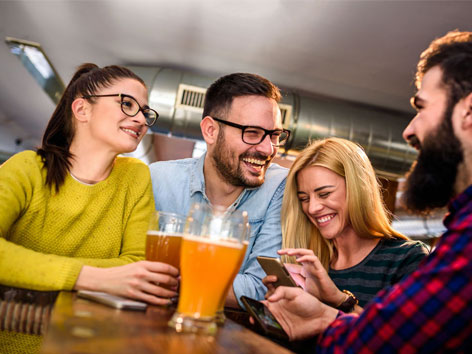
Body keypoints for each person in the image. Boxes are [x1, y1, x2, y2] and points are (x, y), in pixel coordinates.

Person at [263, 31, 472, 351]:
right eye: (304, 198)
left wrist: (326, 312)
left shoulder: (430, 252)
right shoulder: (460, 230)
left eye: (422, 107)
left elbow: (383, 343)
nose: (409, 129)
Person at [0, 63, 179, 304]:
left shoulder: (135, 176)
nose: (141, 120)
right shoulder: (27, 167)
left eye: (145, 113)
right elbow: (125, 274)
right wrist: (94, 277)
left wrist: (27, 263)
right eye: (127, 104)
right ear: (82, 109)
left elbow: (137, 265)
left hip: (90, 335)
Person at [149, 73, 290, 307]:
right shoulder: (158, 178)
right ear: (210, 131)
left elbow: (260, 287)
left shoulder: (281, 186)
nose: (268, 149)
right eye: (252, 133)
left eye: (275, 135)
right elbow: (131, 262)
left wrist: (170, 279)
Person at [263, 137, 428, 312]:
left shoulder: (408, 258)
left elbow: (399, 337)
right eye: (304, 198)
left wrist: (338, 299)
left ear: (358, 188)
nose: (312, 208)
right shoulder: (308, 266)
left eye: (324, 194)